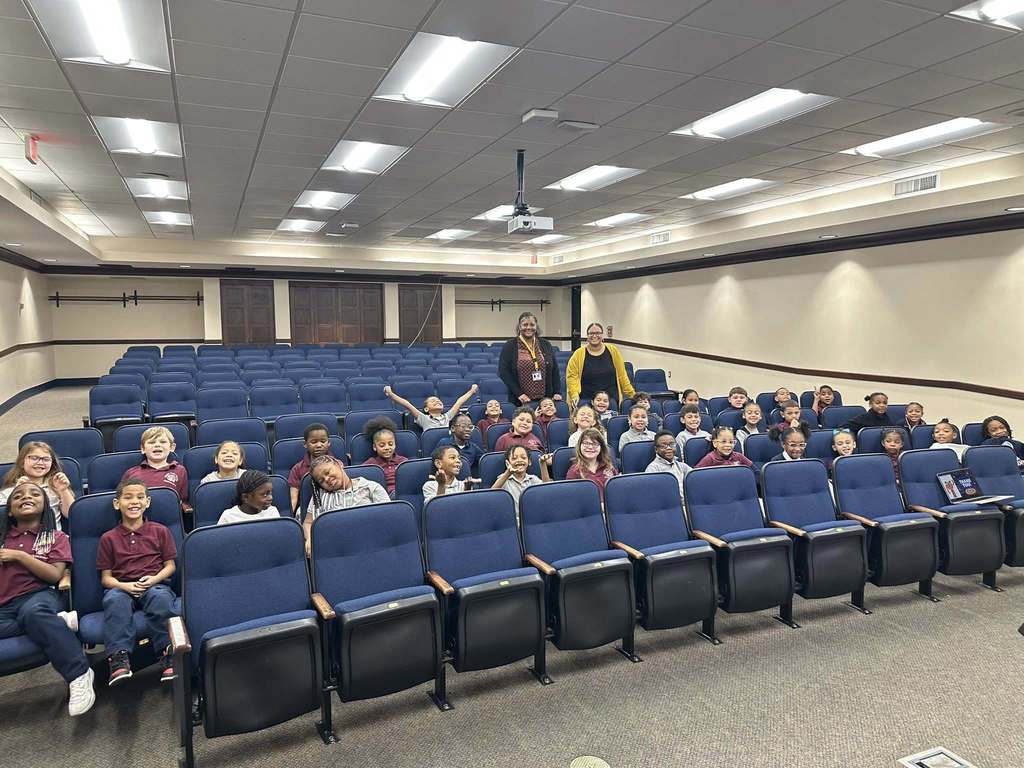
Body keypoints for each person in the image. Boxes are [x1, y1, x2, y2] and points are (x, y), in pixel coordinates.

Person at [0, 483, 94, 716]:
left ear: (45, 507)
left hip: (40, 595)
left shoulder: (55, 537)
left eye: (34, 494)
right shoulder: (2, 540)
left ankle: (79, 673)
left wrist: (20, 556)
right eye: (18, 496)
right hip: (4, 605)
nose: (26, 497)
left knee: (34, 614)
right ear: (10, 511)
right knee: (35, 620)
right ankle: (55, 624)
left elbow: (54, 575)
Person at [98, 480, 178, 687]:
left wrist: (153, 579)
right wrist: (125, 586)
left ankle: (168, 653)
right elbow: (106, 578)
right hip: (122, 586)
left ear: (147, 502)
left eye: (140, 497)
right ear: (117, 504)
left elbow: (170, 566)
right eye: (128, 497)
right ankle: (118, 659)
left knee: (160, 599)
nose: (135, 502)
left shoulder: (160, 531)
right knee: (115, 601)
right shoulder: (108, 538)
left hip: (155, 583)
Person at [304, 456, 389, 556]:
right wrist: (310, 538)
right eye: (321, 480)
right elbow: (308, 522)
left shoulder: (370, 487)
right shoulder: (318, 496)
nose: (326, 479)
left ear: (339, 464)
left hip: (370, 545)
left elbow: (387, 518)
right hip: (334, 550)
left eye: (327, 472)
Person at [0, 442, 75, 525]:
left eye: (46, 459)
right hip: (20, 536)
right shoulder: (8, 492)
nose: (40, 463)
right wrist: (17, 492)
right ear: (22, 462)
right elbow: (3, 520)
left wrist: (64, 490)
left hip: (51, 536)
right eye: (34, 458)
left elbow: (72, 514)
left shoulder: (56, 488)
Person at [497, 311, 562, 405]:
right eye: (525, 325)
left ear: (536, 327)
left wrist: (557, 391)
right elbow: (503, 372)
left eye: (532, 325)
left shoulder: (545, 344)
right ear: (519, 327)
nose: (528, 327)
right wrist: (519, 394)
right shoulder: (510, 345)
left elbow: (554, 370)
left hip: (546, 399)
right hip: (520, 400)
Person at [120, 426, 190, 512]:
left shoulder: (180, 470)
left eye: (163, 442)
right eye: (152, 442)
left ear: (172, 447)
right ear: (143, 449)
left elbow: (182, 498)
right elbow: (123, 499)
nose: (157, 445)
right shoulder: (131, 473)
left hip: (167, 515)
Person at [565, 322, 635, 408]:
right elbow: (572, 377)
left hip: (610, 401)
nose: (594, 336)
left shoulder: (613, 351)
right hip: (587, 401)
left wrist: (633, 395)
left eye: (597, 333)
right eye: (591, 333)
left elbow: (622, 376)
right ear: (587, 336)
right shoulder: (578, 354)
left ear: (602, 336)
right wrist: (574, 395)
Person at [384, 383, 478, 431]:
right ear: (426, 409)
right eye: (433, 401)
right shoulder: (423, 418)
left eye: (438, 400)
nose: (437, 401)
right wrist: (391, 394)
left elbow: (459, 402)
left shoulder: (447, 416)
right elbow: (407, 404)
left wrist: (472, 391)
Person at [491, 444, 552, 515]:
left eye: (523, 457)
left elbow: (547, 490)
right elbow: (492, 493)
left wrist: (542, 464)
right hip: (512, 520)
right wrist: (508, 473)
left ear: (529, 462)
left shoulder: (533, 479)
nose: (519, 460)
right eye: (514, 458)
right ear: (507, 463)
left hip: (532, 517)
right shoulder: (504, 479)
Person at [287, 423, 335, 513]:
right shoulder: (297, 469)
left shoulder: (338, 464)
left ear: (329, 443)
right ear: (305, 444)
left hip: (335, 503)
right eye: (314, 442)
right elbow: (293, 498)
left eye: (323, 441)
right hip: (308, 508)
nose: (319, 445)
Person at [565, 428, 619, 503]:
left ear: (601, 448)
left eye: (595, 444)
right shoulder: (574, 471)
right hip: (589, 512)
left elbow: (617, 491)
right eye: (586, 443)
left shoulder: (609, 467)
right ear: (580, 446)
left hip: (610, 508)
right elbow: (571, 498)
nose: (590, 447)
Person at [361, 416, 408, 495]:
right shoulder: (370, 464)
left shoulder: (403, 461)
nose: (387, 448)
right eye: (382, 445)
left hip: (404, 493)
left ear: (395, 445)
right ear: (374, 447)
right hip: (383, 496)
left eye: (390, 444)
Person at [645, 430, 690, 501]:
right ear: (656, 449)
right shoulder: (653, 469)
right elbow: (654, 494)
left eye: (672, 444)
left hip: (689, 502)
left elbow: (695, 480)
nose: (669, 448)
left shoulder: (682, 466)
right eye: (664, 445)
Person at [437, 413, 484, 480]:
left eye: (470, 427)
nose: (468, 429)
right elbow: (434, 462)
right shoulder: (444, 443)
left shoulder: (473, 447)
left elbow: (484, 462)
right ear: (453, 428)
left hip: (466, 482)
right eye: (463, 426)